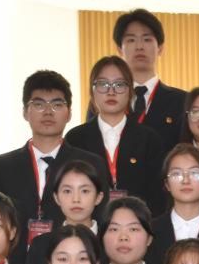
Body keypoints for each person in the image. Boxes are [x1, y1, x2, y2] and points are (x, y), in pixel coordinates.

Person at [0, 70, 107, 264]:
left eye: (57, 104)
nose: (48, 112)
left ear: (69, 113)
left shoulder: (91, 164)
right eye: (39, 104)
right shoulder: (1, 166)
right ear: (25, 112)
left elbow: (102, 219)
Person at [65, 55, 167, 215]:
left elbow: (158, 197)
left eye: (119, 84)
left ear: (130, 91)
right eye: (103, 84)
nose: (111, 91)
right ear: (92, 91)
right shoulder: (75, 138)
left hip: (137, 224)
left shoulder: (149, 139)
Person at [114, 8, 189, 151]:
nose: (139, 46)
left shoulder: (183, 101)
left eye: (147, 39)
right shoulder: (105, 99)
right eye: (131, 40)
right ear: (119, 49)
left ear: (160, 48)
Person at [24, 160, 106, 264]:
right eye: (67, 191)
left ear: (98, 197)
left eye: (85, 191)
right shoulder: (41, 246)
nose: (76, 199)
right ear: (56, 198)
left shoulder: (110, 243)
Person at [98, 195, 158, 264]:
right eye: (114, 229)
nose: (123, 237)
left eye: (133, 229)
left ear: (149, 239)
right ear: (102, 237)